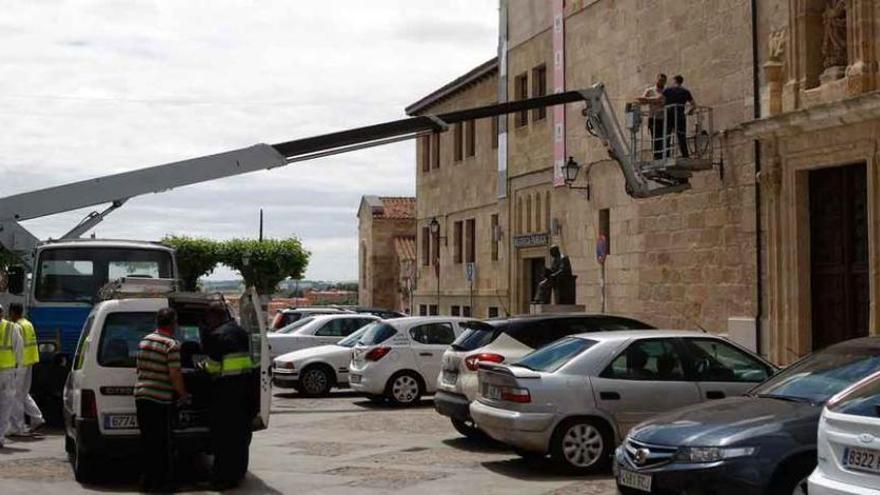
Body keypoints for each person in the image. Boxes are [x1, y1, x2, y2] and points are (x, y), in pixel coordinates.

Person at [201, 302, 254, 490]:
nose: (207, 323)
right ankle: (237, 474)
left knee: (223, 441)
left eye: (208, 319)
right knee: (239, 438)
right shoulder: (240, 332)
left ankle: (221, 479)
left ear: (214, 317)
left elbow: (213, 368)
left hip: (224, 394)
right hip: (243, 393)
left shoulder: (217, 336)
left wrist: (202, 365)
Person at [135, 307, 188, 492]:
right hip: (160, 399)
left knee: (148, 441)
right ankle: (162, 484)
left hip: (141, 397)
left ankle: (147, 482)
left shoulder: (145, 341)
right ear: (172, 323)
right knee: (162, 444)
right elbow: (175, 375)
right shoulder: (171, 345)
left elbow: (139, 368)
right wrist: (183, 394)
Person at [8, 303, 44, 436]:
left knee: (16, 395)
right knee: (23, 393)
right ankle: (37, 418)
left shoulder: (17, 326)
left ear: (12, 312)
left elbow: (17, 346)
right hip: (30, 362)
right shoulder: (28, 324)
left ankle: (18, 427)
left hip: (21, 364)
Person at [0, 304, 23, 448]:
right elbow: (19, 349)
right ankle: (0, 436)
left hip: (6, 372)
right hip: (6, 372)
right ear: (2, 313)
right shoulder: (11, 327)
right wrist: (18, 369)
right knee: (5, 405)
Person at [662, 75, 696, 159]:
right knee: (681, 135)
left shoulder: (668, 90)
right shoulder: (686, 91)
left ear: (674, 81)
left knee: (667, 135)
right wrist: (689, 112)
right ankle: (685, 155)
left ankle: (666, 155)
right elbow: (694, 105)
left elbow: (660, 100)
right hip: (680, 114)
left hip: (669, 114)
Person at [638, 73, 667, 160]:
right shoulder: (650, 90)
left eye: (663, 81)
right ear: (657, 80)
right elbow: (641, 100)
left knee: (664, 138)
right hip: (653, 118)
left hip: (663, 118)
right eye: (660, 80)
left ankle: (663, 155)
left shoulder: (667, 91)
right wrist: (653, 100)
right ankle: (657, 156)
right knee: (656, 138)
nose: (661, 82)